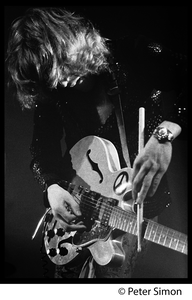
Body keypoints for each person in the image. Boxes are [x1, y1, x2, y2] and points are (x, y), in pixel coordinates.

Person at [6, 6, 187, 279]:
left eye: (61, 65)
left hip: (134, 214)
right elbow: (42, 149)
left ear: (73, 40)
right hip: (80, 214)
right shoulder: (56, 92)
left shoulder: (132, 54)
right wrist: (52, 187)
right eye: (50, 78)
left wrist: (163, 135)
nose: (62, 80)